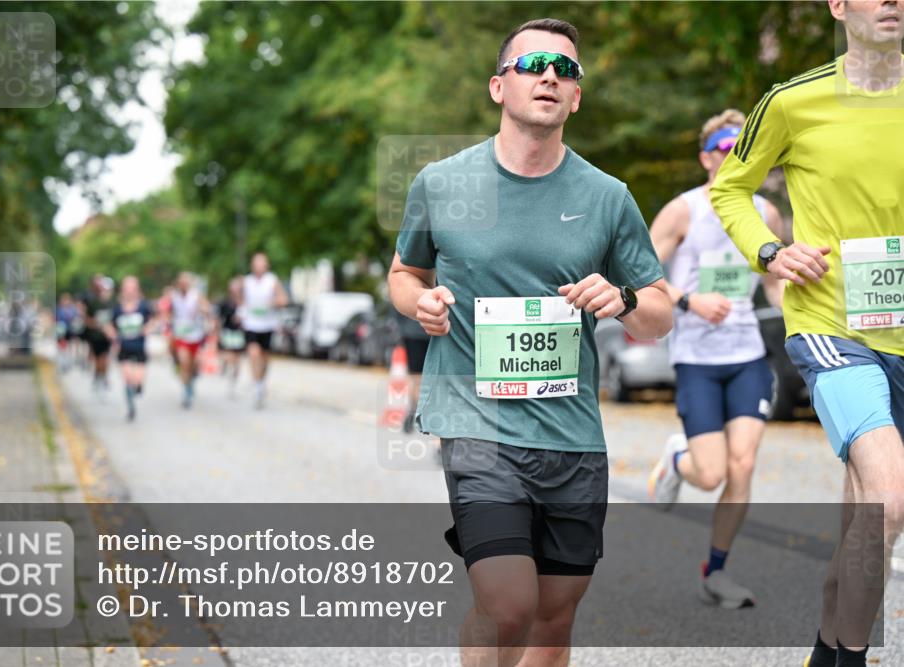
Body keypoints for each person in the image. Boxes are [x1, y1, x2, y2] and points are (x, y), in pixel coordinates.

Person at [387, 18, 672, 667]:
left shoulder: (607, 197)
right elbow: (404, 272)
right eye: (534, 64)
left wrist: (623, 298)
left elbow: (660, 312)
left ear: (577, 97)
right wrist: (420, 301)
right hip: (476, 424)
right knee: (509, 602)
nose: (551, 75)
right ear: (498, 86)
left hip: (571, 436)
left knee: (552, 616)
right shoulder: (442, 184)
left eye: (566, 69)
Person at [710, 2, 903, 664]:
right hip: (831, 326)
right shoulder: (794, 101)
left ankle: (826, 649)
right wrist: (771, 251)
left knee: (863, 523)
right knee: (890, 493)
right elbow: (730, 189)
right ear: (839, 6)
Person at [646, 109, 787, 609]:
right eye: (725, 149)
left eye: (741, 149)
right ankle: (677, 460)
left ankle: (718, 571)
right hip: (697, 359)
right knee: (711, 474)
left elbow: (775, 283)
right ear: (707, 157)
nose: (733, 157)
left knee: (742, 464)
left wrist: (804, 326)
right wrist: (690, 301)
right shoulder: (683, 211)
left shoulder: (766, 214)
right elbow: (642, 270)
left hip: (748, 354)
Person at [241, 252, 289, 409]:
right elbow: (240, 300)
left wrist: (274, 302)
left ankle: (261, 382)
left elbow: (284, 299)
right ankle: (256, 385)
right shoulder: (246, 281)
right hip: (251, 324)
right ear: (252, 265)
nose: (259, 266)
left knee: (265, 359)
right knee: (253, 354)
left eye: (262, 263)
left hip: (267, 325)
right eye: (256, 263)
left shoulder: (272, 281)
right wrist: (240, 312)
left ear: (266, 265)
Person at [106, 276, 155, 421]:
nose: (129, 291)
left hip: (139, 347)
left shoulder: (144, 306)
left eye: (132, 288)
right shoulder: (117, 308)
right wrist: (113, 335)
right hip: (123, 347)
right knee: (127, 378)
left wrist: (148, 328)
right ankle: (130, 407)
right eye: (127, 288)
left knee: (137, 381)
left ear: (137, 290)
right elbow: (108, 324)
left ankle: (136, 389)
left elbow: (156, 319)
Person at [169, 272, 212, 409]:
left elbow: (207, 309)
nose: (183, 285)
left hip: (195, 335)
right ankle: (186, 391)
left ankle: (191, 380)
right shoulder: (174, 296)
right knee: (184, 362)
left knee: (193, 365)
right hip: (181, 335)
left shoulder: (196, 295)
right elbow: (168, 312)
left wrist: (203, 310)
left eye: (185, 282)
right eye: (181, 283)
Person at [393, 308, 432, 433]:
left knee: (416, 378)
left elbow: (397, 311)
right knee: (434, 378)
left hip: (412, 334)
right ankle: (421, 413)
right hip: (431, 333)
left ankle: (413, 410)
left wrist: (401, 332)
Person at [82, 275, 116, 392]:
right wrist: (95, 324)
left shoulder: (113, 302)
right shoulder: (92, 302)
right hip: (95, 336)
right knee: (97, 359)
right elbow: (86, 318)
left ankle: (103, 377)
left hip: (107, 336)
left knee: (105, 358)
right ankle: (98, 376)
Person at [217, 277, 247, 398]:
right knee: (229, 357)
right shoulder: (225, 302)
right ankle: (226, 370)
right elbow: (220, 319)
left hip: (239, 333)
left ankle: (233, 382)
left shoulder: (245, 302)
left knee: (237, 360)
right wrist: (218, 332)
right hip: (228, 332)